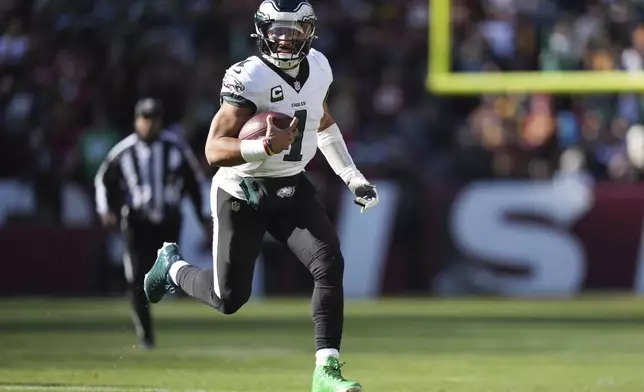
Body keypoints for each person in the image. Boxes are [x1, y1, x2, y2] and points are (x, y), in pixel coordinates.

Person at [143, 1, 378, 390]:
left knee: (329, 263)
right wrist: (262, 148)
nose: (285, 39)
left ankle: (326, 370)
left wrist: (353, 177)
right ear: (262, 32)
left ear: (309, 32)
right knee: (229, 298)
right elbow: (214, 150)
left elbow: (323, 123)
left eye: (294, 30)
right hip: (243, 192)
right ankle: (171, 268)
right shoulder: (247, 77)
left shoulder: (319, 66)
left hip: (290, 185)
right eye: (277, 30)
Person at [95, 98, 209, 349]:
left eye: (154, 118)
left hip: (168, 219)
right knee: (135, 276)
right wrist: (106, 211)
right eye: (145, 118)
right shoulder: (124, 151)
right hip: (136, 221)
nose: (149, 124)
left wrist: (203, 215)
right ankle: (146, 332)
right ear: (136, 120)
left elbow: (194, 181)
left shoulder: (175, 148)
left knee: (170, 269)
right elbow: (104, 180)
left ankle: (166, 292)